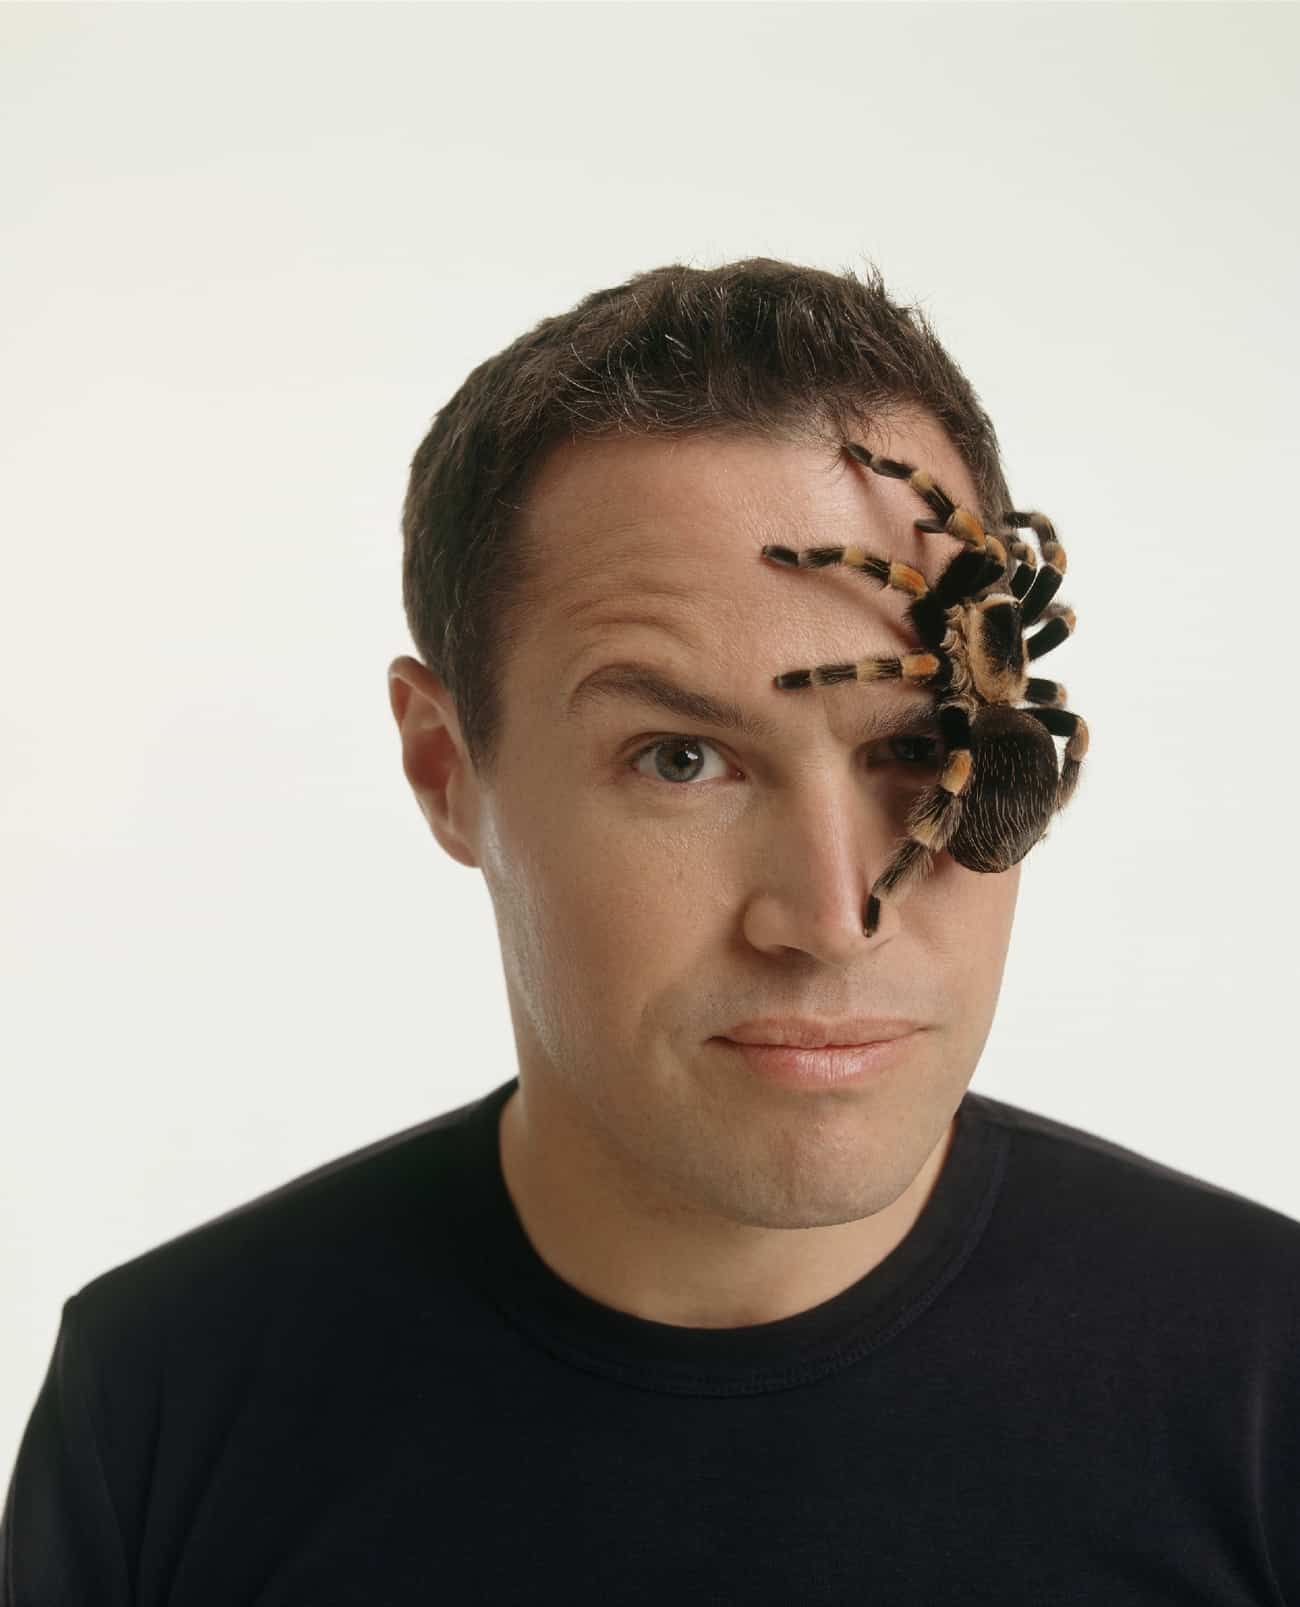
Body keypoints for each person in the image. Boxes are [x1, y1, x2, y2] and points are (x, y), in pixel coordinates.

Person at [3, 257, 1296, 1603]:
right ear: (448, 769)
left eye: (917, 747)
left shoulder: (1272, 1380)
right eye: (681, 759)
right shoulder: (160, 1404)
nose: (830, 922)